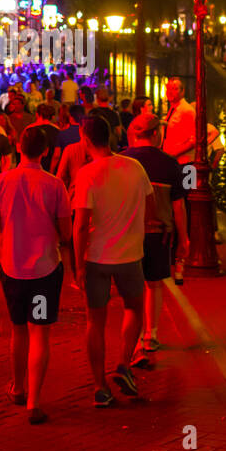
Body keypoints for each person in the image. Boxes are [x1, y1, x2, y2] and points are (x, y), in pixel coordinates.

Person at [0, 126, 73, 424]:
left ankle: (18, 387)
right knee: (40, 332)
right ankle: (34, 400)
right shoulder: (55, 184)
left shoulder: (0, 182)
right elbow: (66, 231)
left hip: (12, 267)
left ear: (18, 147)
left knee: (18, 330)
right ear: (45, 151)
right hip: (45, 269)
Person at [71, 116, 154, 407]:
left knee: (95, 320)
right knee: (134, 307)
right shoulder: (134, 167)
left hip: (97, 257)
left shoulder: (87, 174)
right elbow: (151, 206)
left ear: (86, 139)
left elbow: (80, 224)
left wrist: (78, 265)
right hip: (130, 255)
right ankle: (123, 363)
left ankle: (100, 387)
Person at [120, 114, 189, 362]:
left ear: (135, 134)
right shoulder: (170, 164)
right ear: (157, 133)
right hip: (159, 234)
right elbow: (178, 207)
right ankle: (151, 334)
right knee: (154, 284)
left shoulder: (122, 160)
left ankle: (134, 337)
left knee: (132, 286)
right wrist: (184, 239)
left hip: (127, 231)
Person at [160, 77, 197, 165]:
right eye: (168, 89)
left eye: (174, 89)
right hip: (173, 160)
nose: (170, 92)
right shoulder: (173, 108)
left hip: (184, 162)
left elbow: (193, 140)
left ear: (182, 91)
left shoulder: (187, 110)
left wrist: (173, 154)